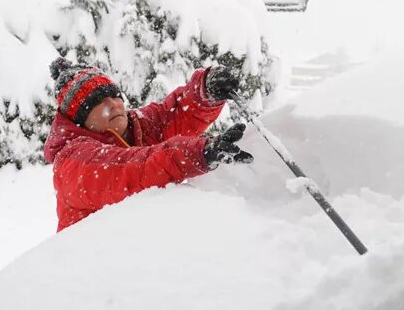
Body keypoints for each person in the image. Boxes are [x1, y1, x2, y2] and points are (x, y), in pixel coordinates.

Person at [42, 57, 253, 231]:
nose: (113, 105)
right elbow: (131, 169)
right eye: (97, 102)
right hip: (95, 269)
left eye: (115, 96)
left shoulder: (134, 126)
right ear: (81, 119)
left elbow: (174, 114)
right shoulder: (72, 161)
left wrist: (206, 91)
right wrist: (198, 153)